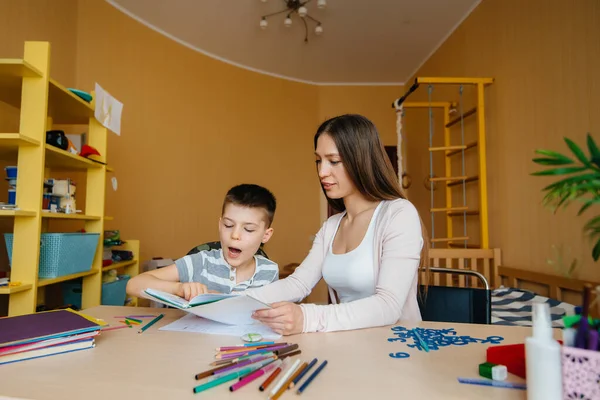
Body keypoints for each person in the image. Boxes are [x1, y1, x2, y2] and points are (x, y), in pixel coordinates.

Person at [247, 114, 428, 335]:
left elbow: (388, 306)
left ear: (360, 160)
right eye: (318, 160)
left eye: (333, 161)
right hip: (349, 344)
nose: (322, 172)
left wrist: (307, 318)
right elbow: (297, 284)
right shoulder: (331, 226)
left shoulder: (399, 214)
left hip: (397, 348)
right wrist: (228, 300)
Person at [126, 184, 279, 300]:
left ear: (266, 235)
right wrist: (178, 288)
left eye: (249, 229)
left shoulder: (269, 271)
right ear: (220, 225)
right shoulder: (200, 262)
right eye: (228, 225)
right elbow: (133, 285)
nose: (235, 235)